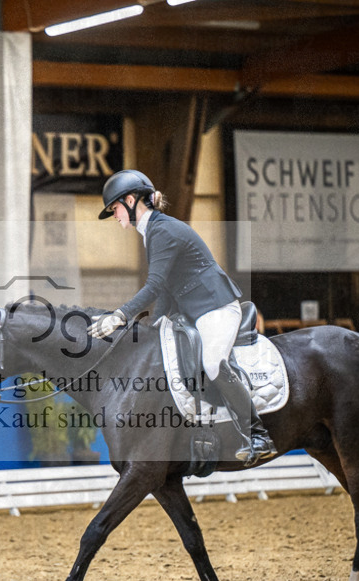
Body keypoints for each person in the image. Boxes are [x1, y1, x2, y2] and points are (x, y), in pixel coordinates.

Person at [87, 169, 276, 465]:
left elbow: (154, 285)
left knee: (212, 363)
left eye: (115, 208)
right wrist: (155, 324)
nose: (114, 215)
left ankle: (257, 435)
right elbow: (165, 289)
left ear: (131, 200)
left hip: (215, 307)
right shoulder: (153, 231)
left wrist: (120, 315)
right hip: (193, 311)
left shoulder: (162, 231)